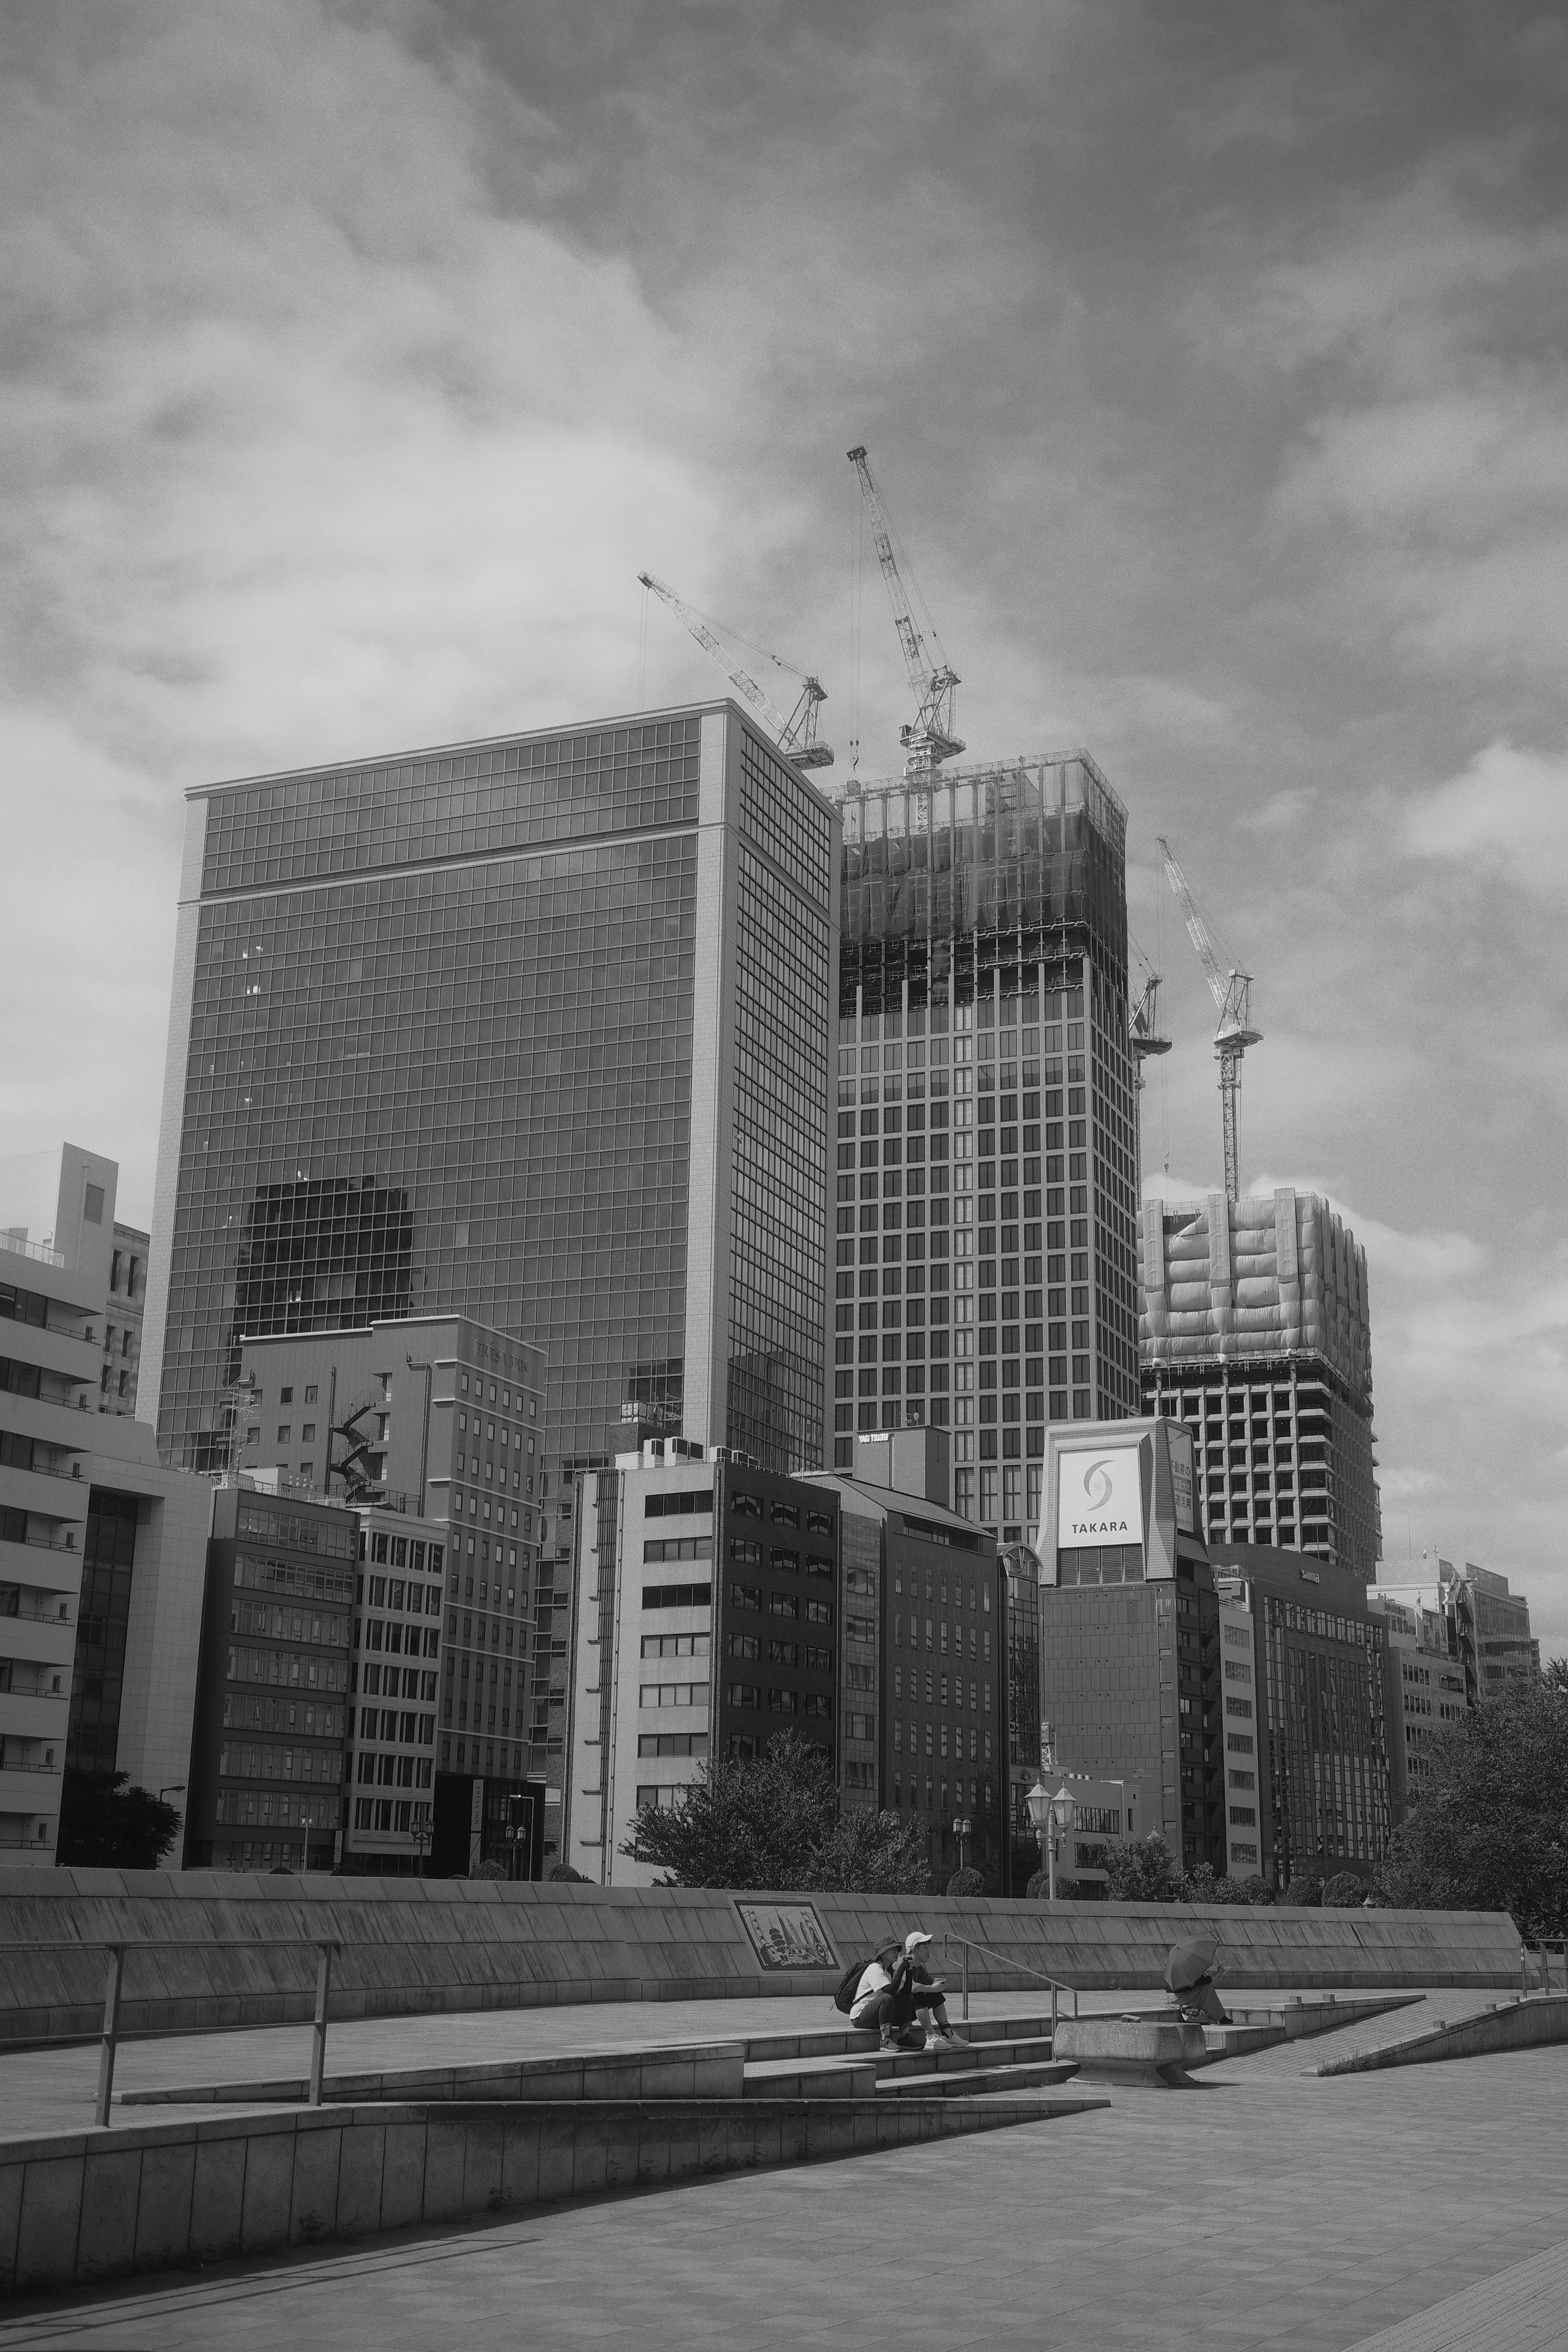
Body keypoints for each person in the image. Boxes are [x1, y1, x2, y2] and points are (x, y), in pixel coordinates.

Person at [849, 1930, 962, 2051]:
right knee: (889, 1998)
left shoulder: (890, 1969)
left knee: (908, 1995)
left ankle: (908, 2037)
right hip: (860, 2017)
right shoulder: (876, 1968)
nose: (896, 1952)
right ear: (882, 1954)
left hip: (883, 2014)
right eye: (891, 1950)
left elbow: (907, 1990)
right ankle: (885, 2040)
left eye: (896, 1949)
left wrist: (909, 1972)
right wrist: (904, 1968)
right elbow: (889, 1992)